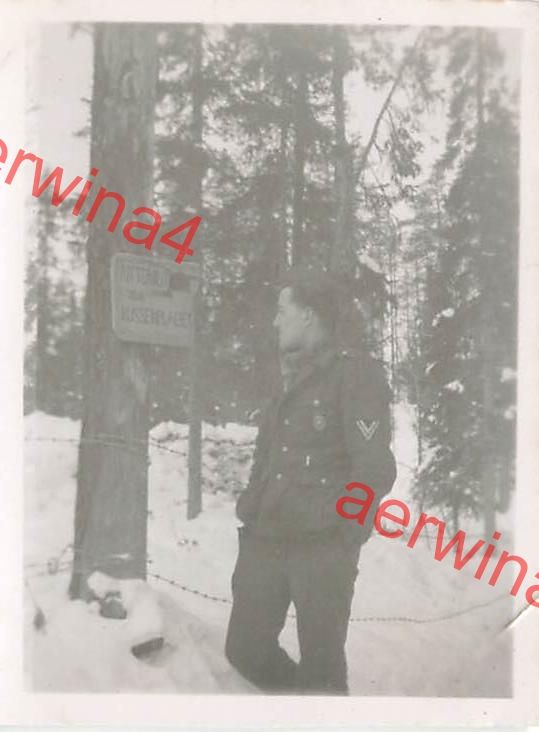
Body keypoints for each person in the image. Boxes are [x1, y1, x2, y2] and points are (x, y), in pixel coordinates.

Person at [225, 268, 397, 695]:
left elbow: (373, 466)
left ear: (308, 315)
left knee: (322, 670)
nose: (275, 321)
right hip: (268, 536)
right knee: (245, 650)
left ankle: (318, 712)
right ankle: (302, 706)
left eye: (282, 310)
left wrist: (346, 536)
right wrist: (254, 502)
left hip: (322, 545)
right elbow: (268, 454)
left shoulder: (354, 375)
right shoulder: (284, 376)